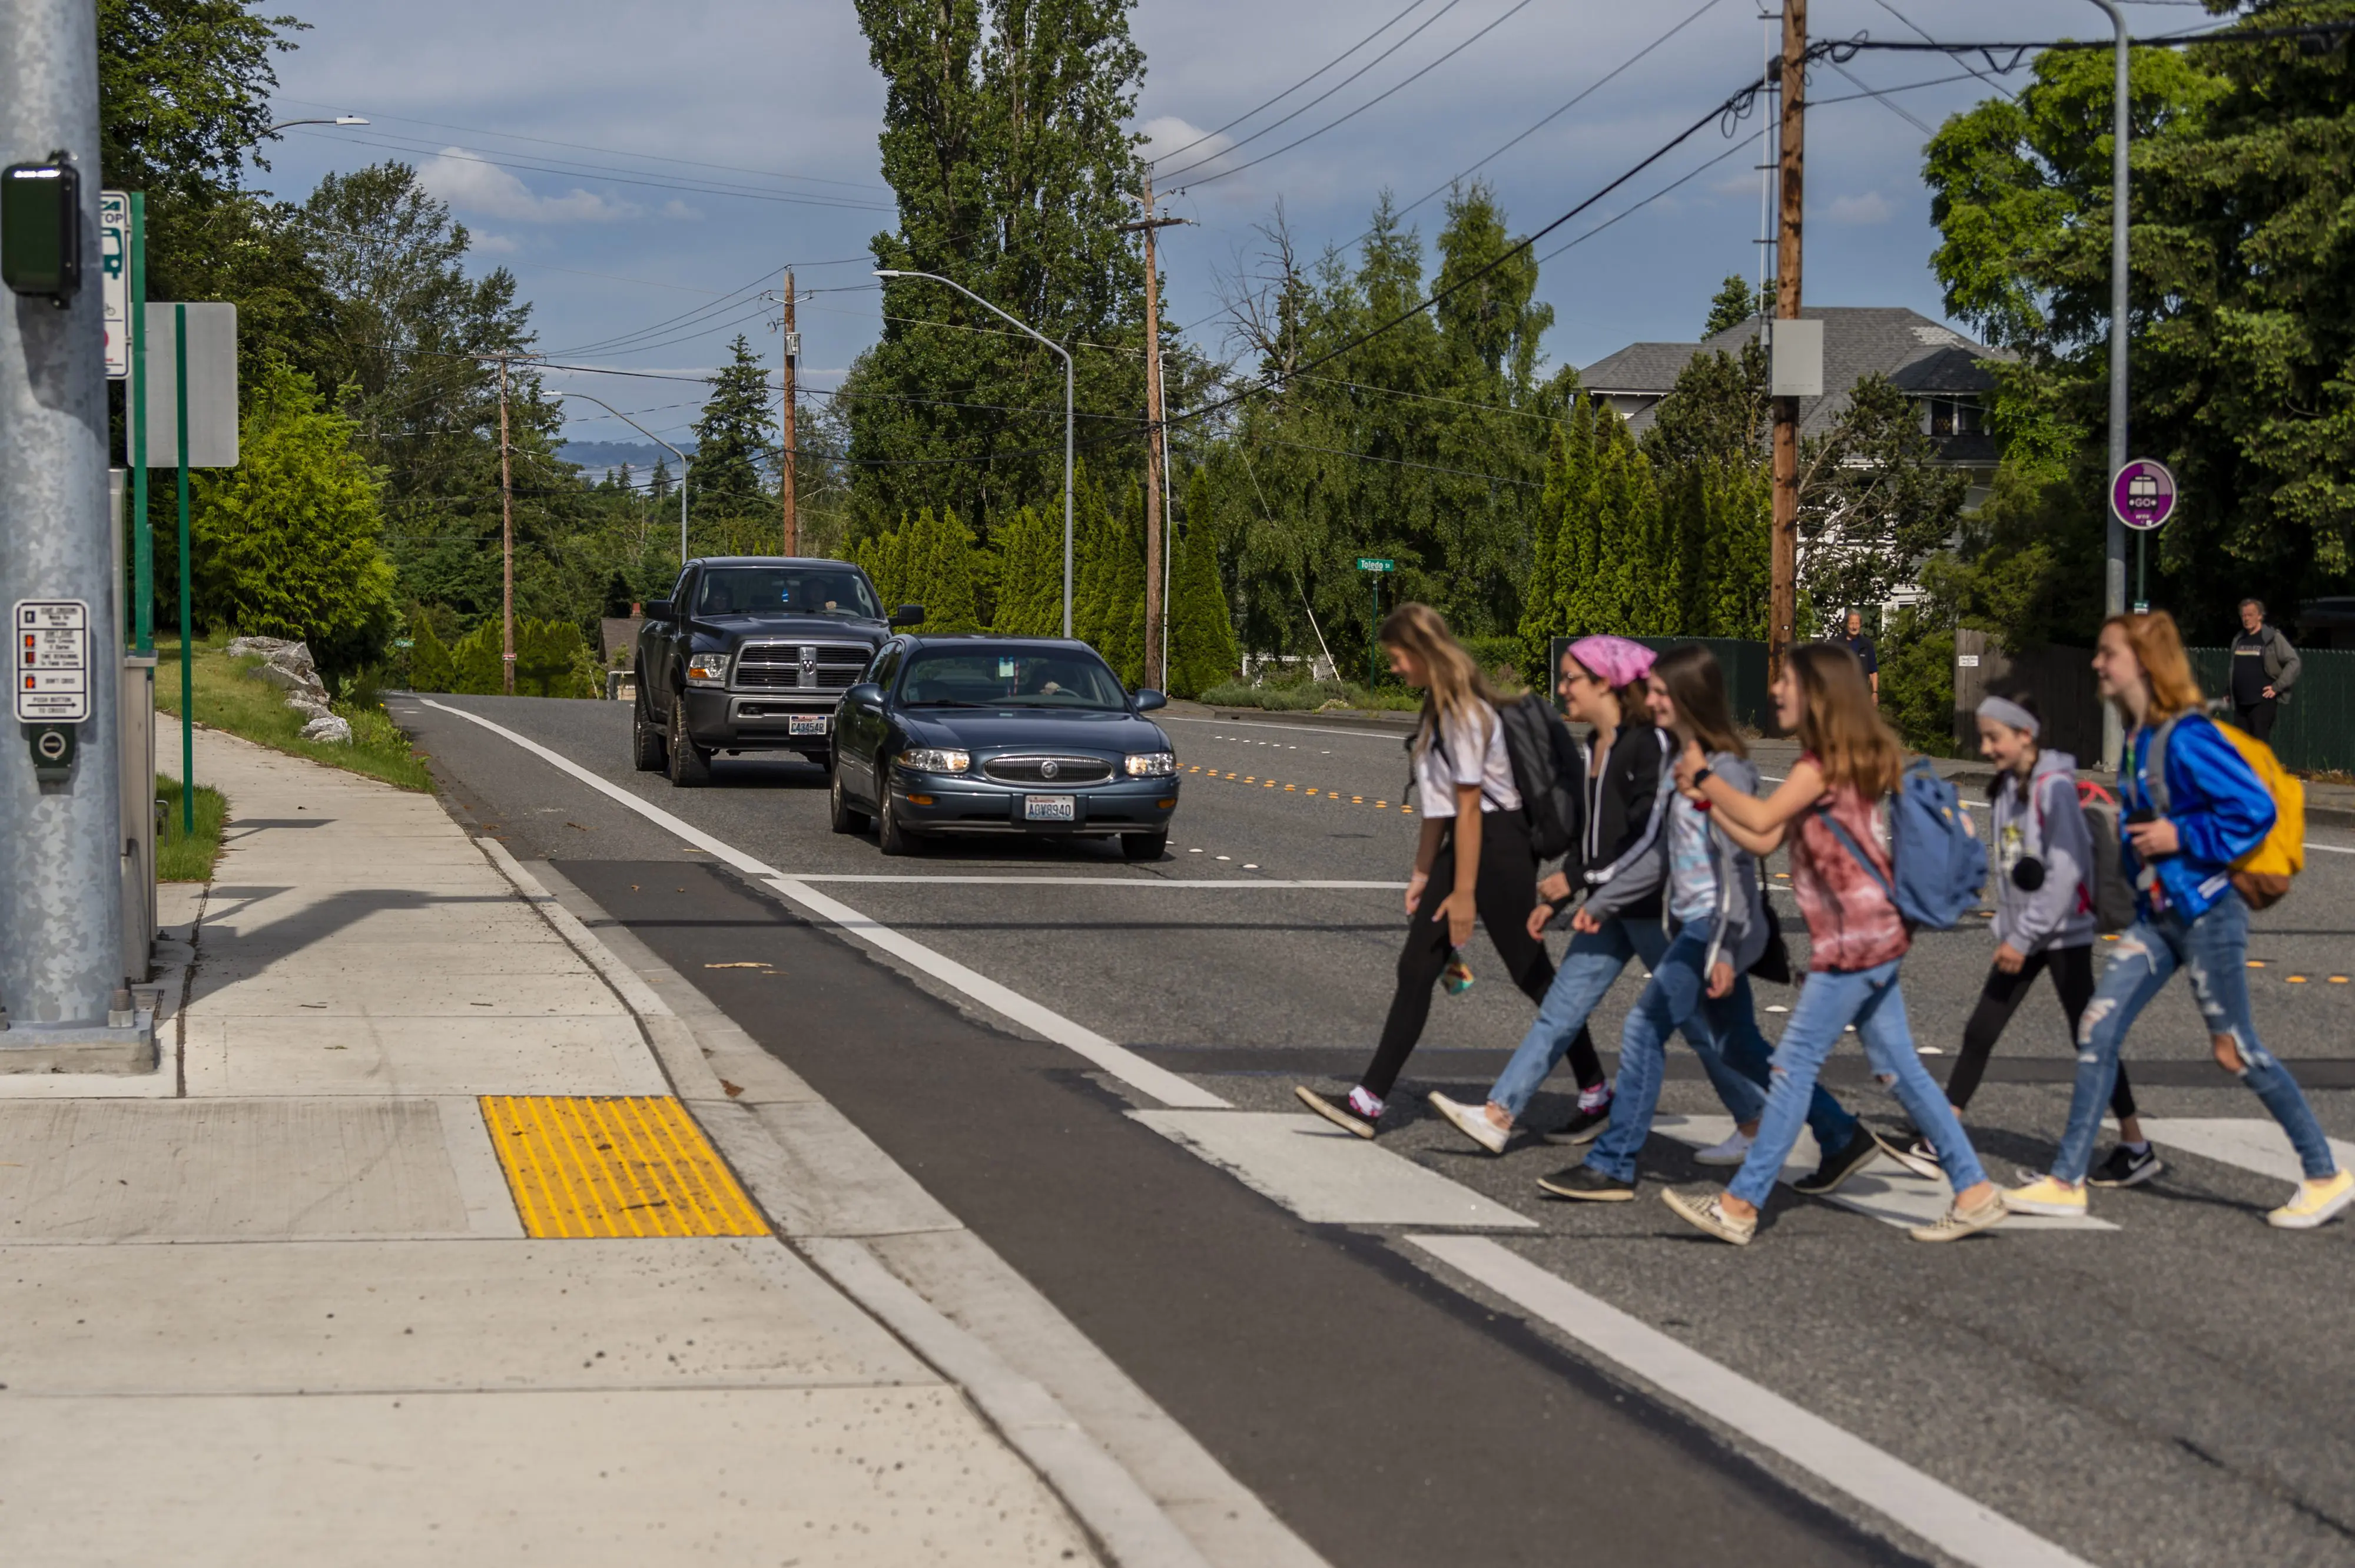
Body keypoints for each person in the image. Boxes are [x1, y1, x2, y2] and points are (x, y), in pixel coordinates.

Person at [2006, 612, 2351, 1228]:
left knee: (2234, 1049)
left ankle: (2324, 1173)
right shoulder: (2140, 738)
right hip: (2159, 916)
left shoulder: (2186, 737)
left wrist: (2179, 832)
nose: (2096, 663)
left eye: (2106, 652)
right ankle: (2065, 1180)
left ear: (2141, 663)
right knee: (2096, 1028)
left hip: (2207, 913)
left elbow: (2255, 808)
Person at [1661, 644, 2008, 1246]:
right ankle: (1974, 1190)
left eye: (1787, 682)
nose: (1775, 691)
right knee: (1900, 1069)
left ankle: (1740, 1204)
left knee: (1791, 1068)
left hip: (1851, 944)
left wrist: (1707, 778)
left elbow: (1763, 812)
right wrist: (1707, 798)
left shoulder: (1819, 766)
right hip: (1876, 934)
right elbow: (1764, 834)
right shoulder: (1843, 760)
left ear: (1818, 694)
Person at [1534, 644, 1886, 1201]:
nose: (1647, 700)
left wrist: (1722, 946)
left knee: (1644, 1028)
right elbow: (1654, 855)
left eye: (1657, 693)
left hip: (1714, 927)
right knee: (1738, 1045)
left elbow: (1738, 870)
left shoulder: (1727, 771)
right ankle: (1840, 1133)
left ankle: (1613, 1163)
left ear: (1686, 699)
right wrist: (1597, 901)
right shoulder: (1681, 766)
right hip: (1699, 925)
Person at [1295, 604, 1573, 1138]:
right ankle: (1368, 1101)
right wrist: (1424, 876)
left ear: (1422, 652)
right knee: (1418, 966)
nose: (1395, 668)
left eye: (1398, 658)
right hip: (1467, 844)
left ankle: (1595, 1090)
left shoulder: (1464, 712)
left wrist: (1463, 893)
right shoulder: (1437, 707)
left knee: (1531, 972)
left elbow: (1470, 807)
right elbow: (1439, 810)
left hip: (1500, 845)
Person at [1424, 635, 1671, 1154]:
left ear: (1606, 682)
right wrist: (1559, 897)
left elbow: (1646, 837)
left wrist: (1582, 883)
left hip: (1648, 910)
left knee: (1710, 1029)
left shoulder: (1646, 746)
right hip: (1606, 909)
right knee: (1559, 1010)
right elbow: (1593, 840)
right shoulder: (1595, 747)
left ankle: (1791, 1124)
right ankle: (1499, 1114)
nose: (1562, 689)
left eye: (1571, 679)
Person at [1909, 692, 2156, 1185]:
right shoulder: (2005, 788)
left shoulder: (2054, 789)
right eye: (1984, 737)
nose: (1985, 747)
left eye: (1994, 737)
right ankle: (1945, 1136)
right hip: (2029, 931)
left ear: (2026, 735)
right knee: (1984, 1030)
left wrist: (2021, 937)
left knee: (2089, 1037)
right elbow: (2012, 865)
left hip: (2062, 933)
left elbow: (2065, 872)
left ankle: (2135, 1145)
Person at [2229, 598, 2300, 743]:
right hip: (2241, 703)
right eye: (2244, 615)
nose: (2247, 619)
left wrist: (2277, 687)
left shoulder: (2272, 638)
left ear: (2260, 616)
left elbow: (2294, 662)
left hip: (2261, 702)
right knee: (2240, 746)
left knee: (2259, 745)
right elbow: (2235, 667)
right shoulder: (2239, 639)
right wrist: (2228, 690)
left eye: (2251, 615)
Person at [1842, 610, 1879, 704]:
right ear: (1846, 624)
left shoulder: (1867, 644)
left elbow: (1873, 671)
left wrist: (1875, 692)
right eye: (1852, 624)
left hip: (1862, 694)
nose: (1854, 627)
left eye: (1857, 624)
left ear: (1860, 625)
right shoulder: (1837, 644)